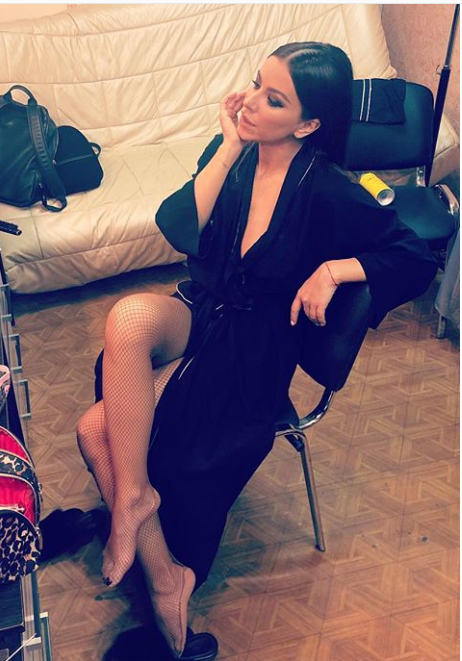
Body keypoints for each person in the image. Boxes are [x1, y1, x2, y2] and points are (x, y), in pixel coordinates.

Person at [76, 41, 437, 658]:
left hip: (252, 348)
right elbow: (178, 226)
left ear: (308, 124)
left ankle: (165, 576)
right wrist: (228, 147)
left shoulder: (327, 189)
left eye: (273, 99)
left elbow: (414, 254)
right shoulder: (236, 156)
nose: (249, 102)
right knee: (128, 317)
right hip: (202, 310)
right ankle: (136, 499)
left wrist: (335, 271)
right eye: (254, 84)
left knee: (94, 429)